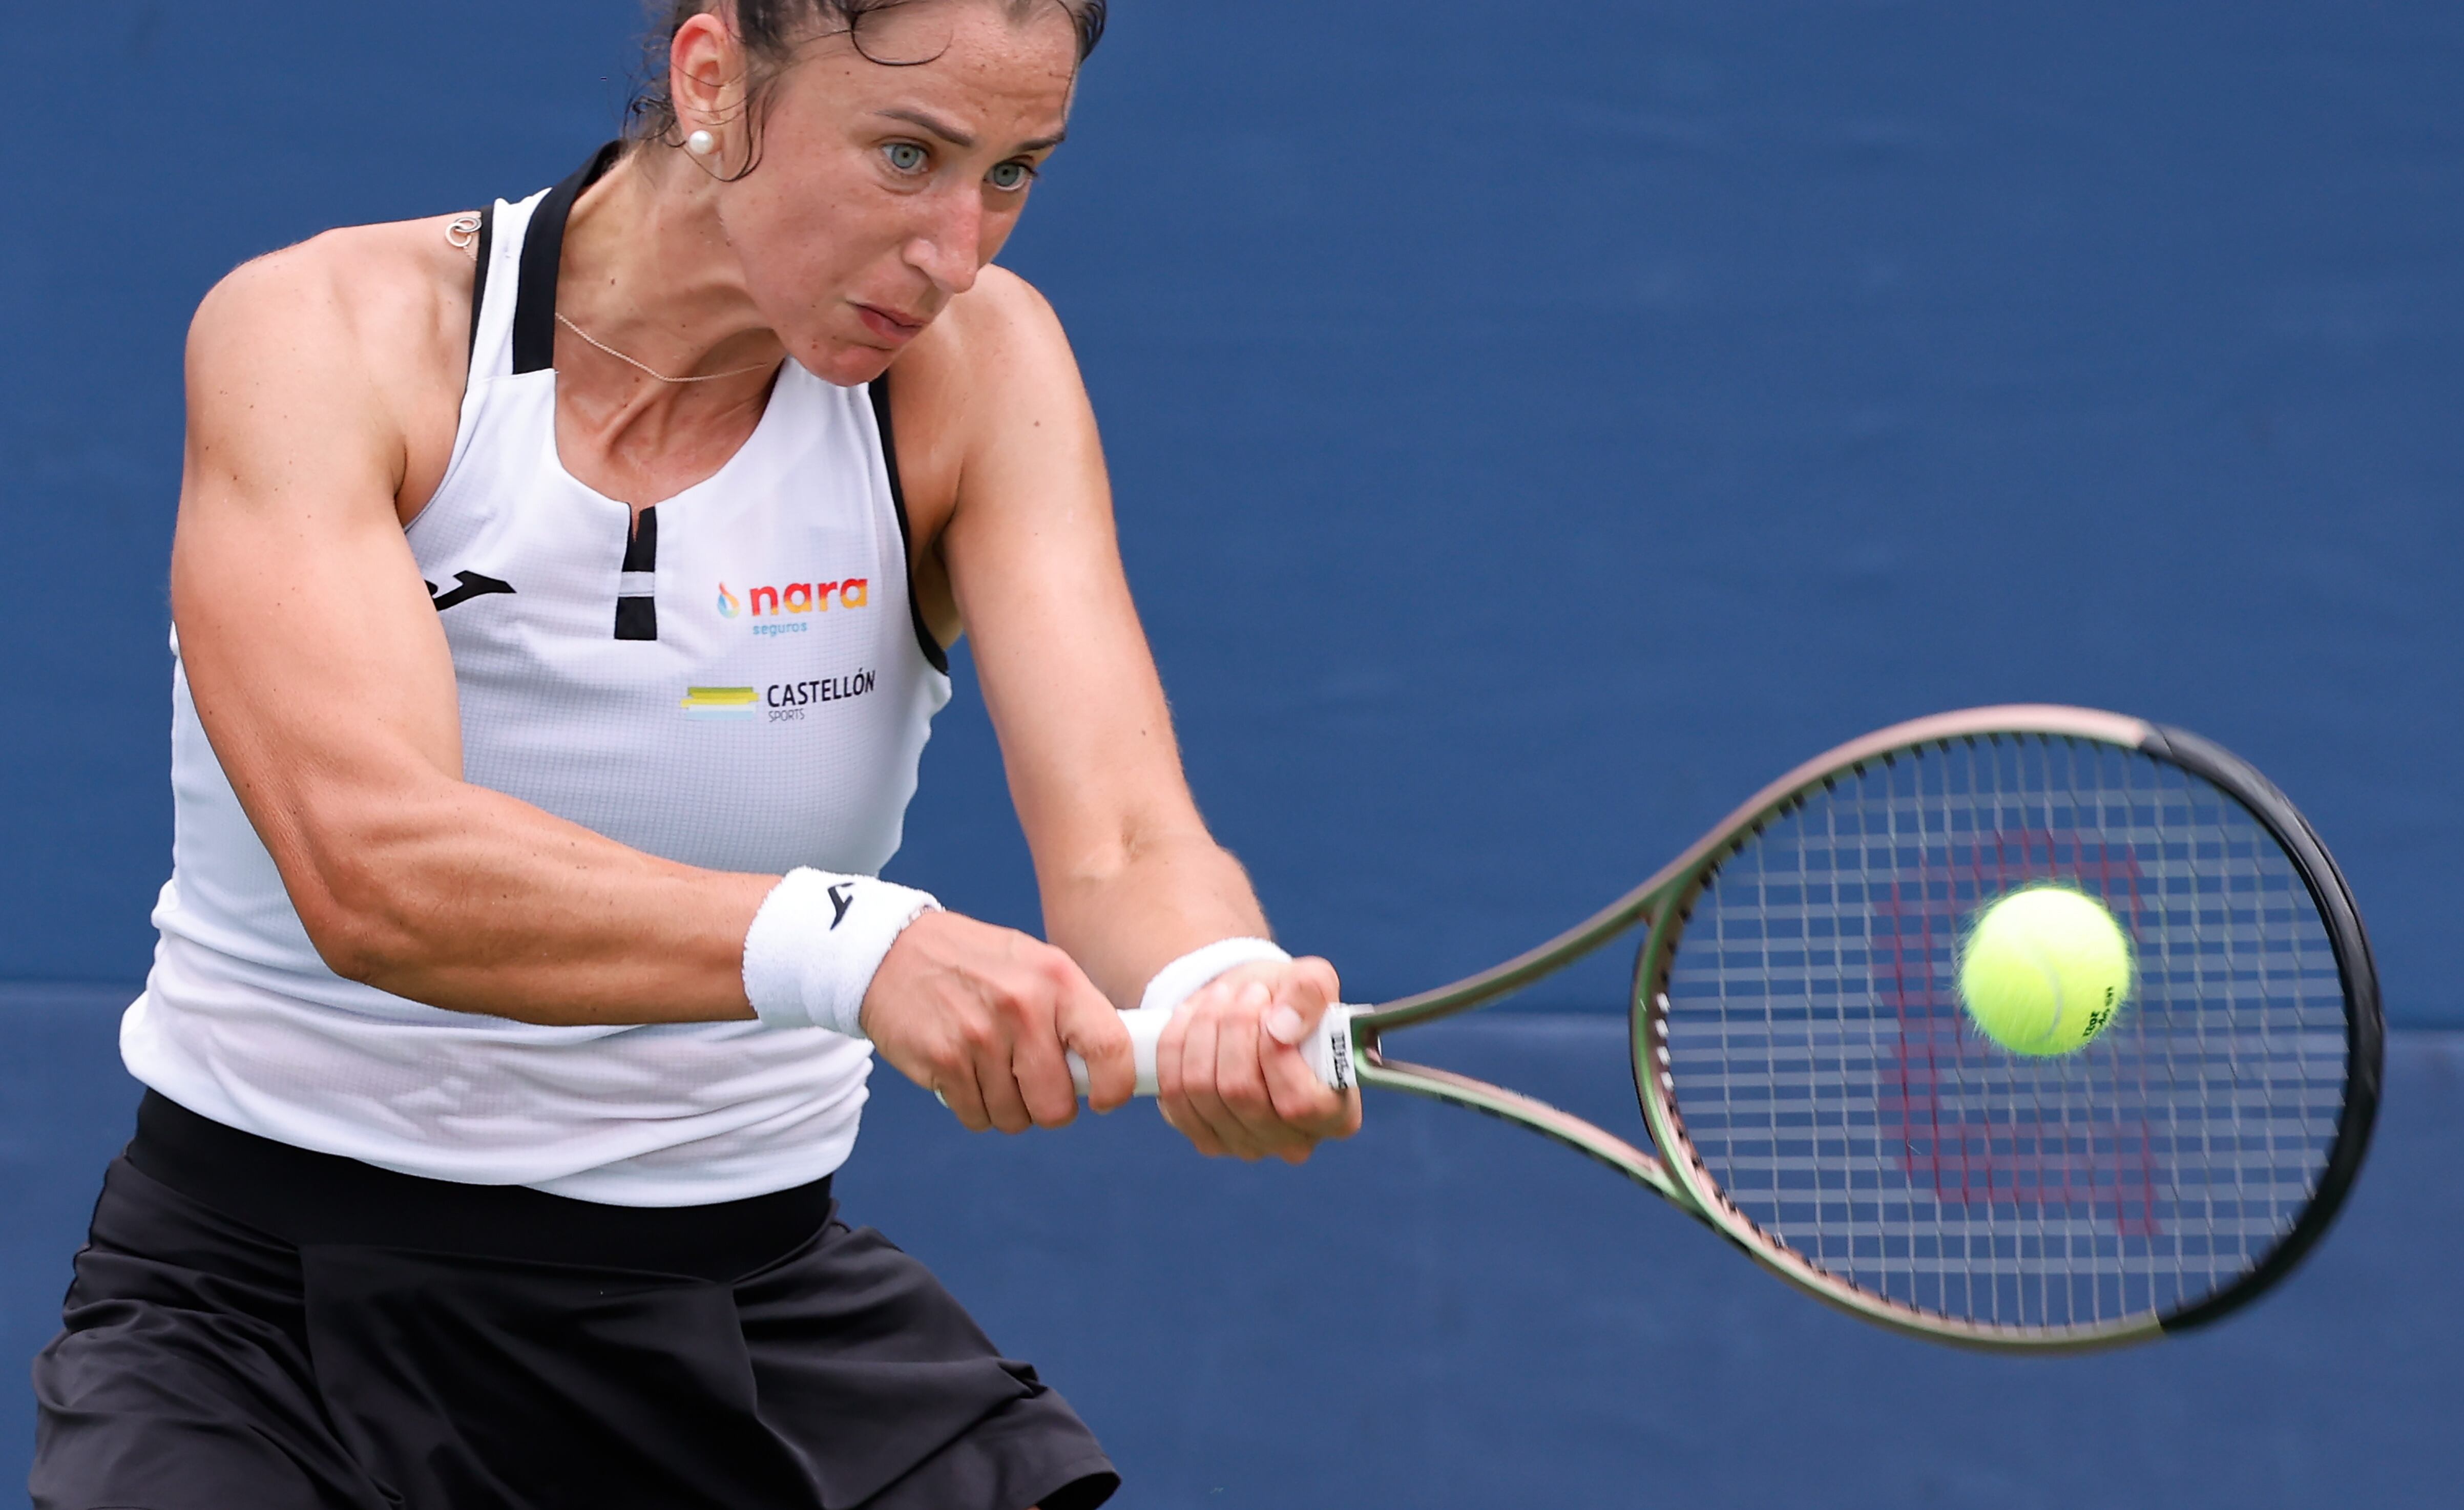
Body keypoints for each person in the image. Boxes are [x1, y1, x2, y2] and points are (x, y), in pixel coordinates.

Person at [31, 3, 1360, 1506]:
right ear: (712, 79)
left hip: (739, 1316)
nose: (956, 249)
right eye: (907, 153)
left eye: (1012, 173)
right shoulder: (330, 335)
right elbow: (376, 867)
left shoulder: (982, 370)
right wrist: (853, 947)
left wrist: (1211, 985)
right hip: (266, 1335)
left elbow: (1125, 841)